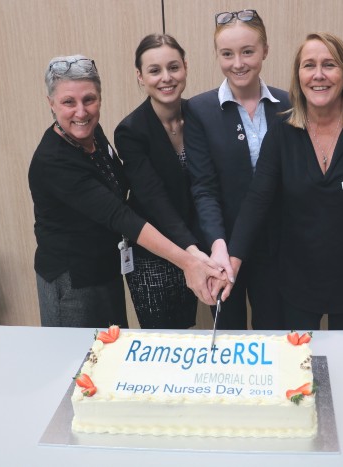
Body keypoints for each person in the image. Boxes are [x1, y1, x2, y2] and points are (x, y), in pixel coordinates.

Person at [29, 55, 225, 328]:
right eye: (68, 102)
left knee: (112, 352)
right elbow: (119, 214)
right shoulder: (54, 160)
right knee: (79, 364)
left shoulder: (92, 134)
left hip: (105, 269)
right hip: (73, 280)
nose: (81, 112)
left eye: (89, 99)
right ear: (51, 103)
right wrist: (189, 261)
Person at [228, 33, 343, 332]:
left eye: (329, 65)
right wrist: (232, 263)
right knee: (299, 366)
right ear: (299, 77)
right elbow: (257, 200)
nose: (319, 75)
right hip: (296, 281)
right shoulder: (283, 133)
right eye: (309, 65)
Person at [185, 9, 290, 330]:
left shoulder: (289, 106)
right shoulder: (199, 109)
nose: (238, 63)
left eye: (248, 51)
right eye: (227, 54)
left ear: (265, 51)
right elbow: (203, 187)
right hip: (223, 250)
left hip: (278, 249)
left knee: (273, 338)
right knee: (228, 340)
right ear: (217, 55)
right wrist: (217, 242)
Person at [114, 34, 203, 329]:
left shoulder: (202, 115)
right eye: (154, 70)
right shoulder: (130, 130)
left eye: (173, 67)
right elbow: (153, 198)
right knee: (163, 341)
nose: (166, 78)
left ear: (186, 68)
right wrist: (190, 251)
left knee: (192, 333)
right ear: (140, 77)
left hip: (197, 246)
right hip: (155, 252)